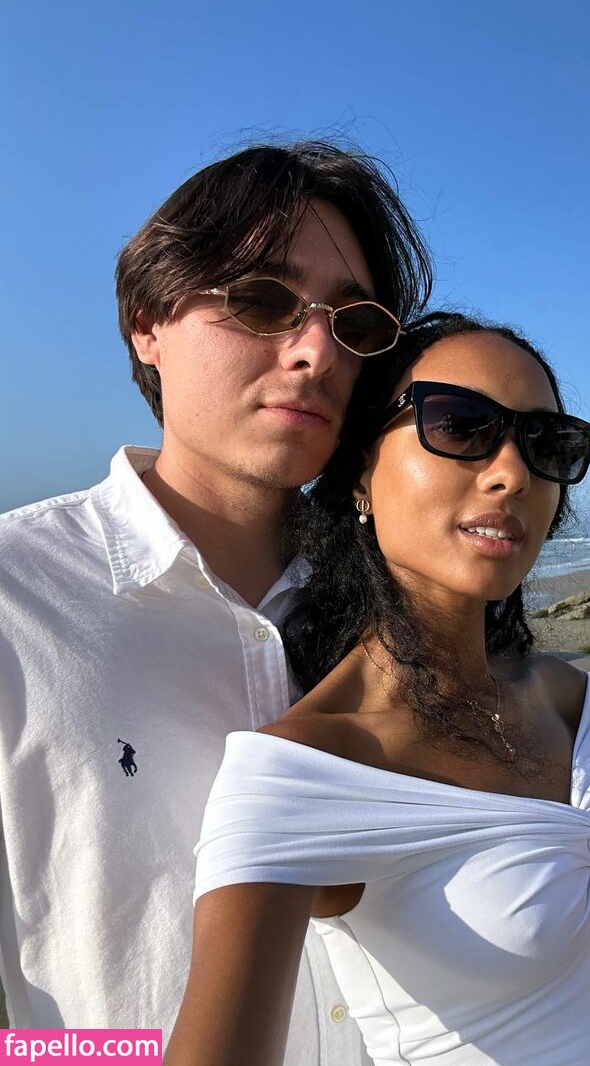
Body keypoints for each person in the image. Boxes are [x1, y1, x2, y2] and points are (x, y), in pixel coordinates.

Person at [166, 313, 590, 1066]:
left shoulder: (568, 698)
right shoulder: (302, 771)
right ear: (362, 472)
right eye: (459, 425)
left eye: (546, 443)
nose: (514, 473)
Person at [0, 139, 432, 1063]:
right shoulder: (16, 600)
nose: (316, 351)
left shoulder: (402, 610)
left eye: (354, 323)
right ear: (147, 324)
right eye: (264, 301)